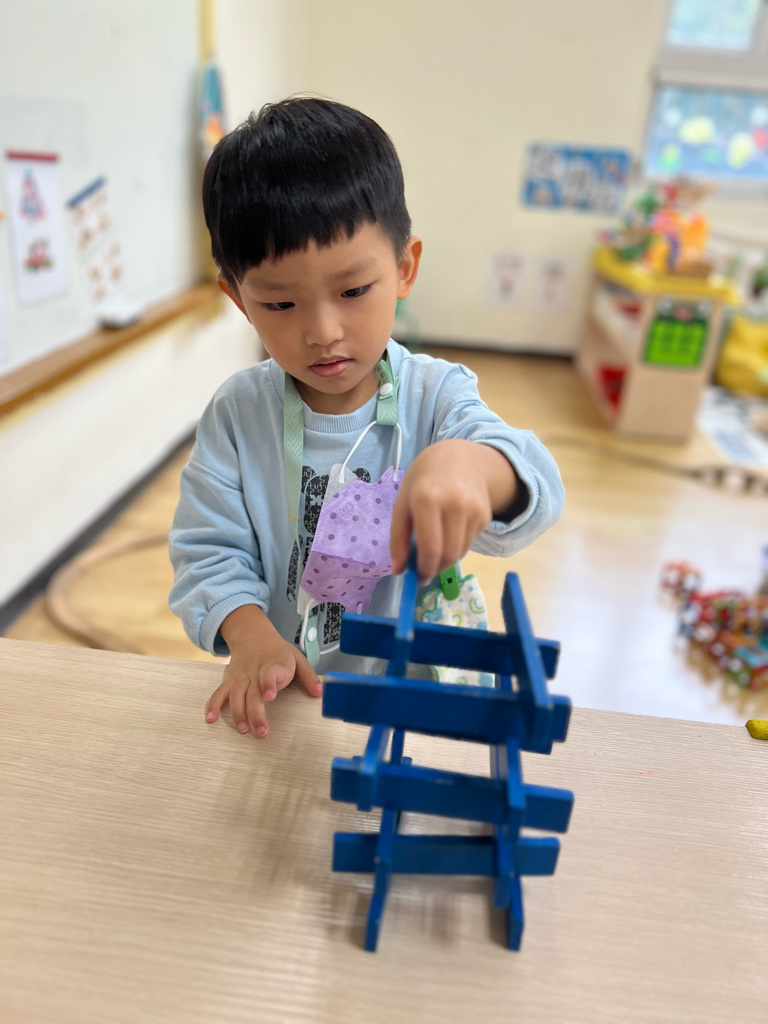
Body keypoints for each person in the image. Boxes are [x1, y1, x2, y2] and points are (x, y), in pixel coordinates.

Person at [169, 96, 564, 739]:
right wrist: (249, 635)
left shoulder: (434, 396)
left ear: (404, 268)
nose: (323, 331)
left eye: (353, 291)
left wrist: (474, 468)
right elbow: (206, 552)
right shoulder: (238, 415)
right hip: (289, 699)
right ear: (238, 300)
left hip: (410, 696)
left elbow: (536, 487)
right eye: (280, 304)